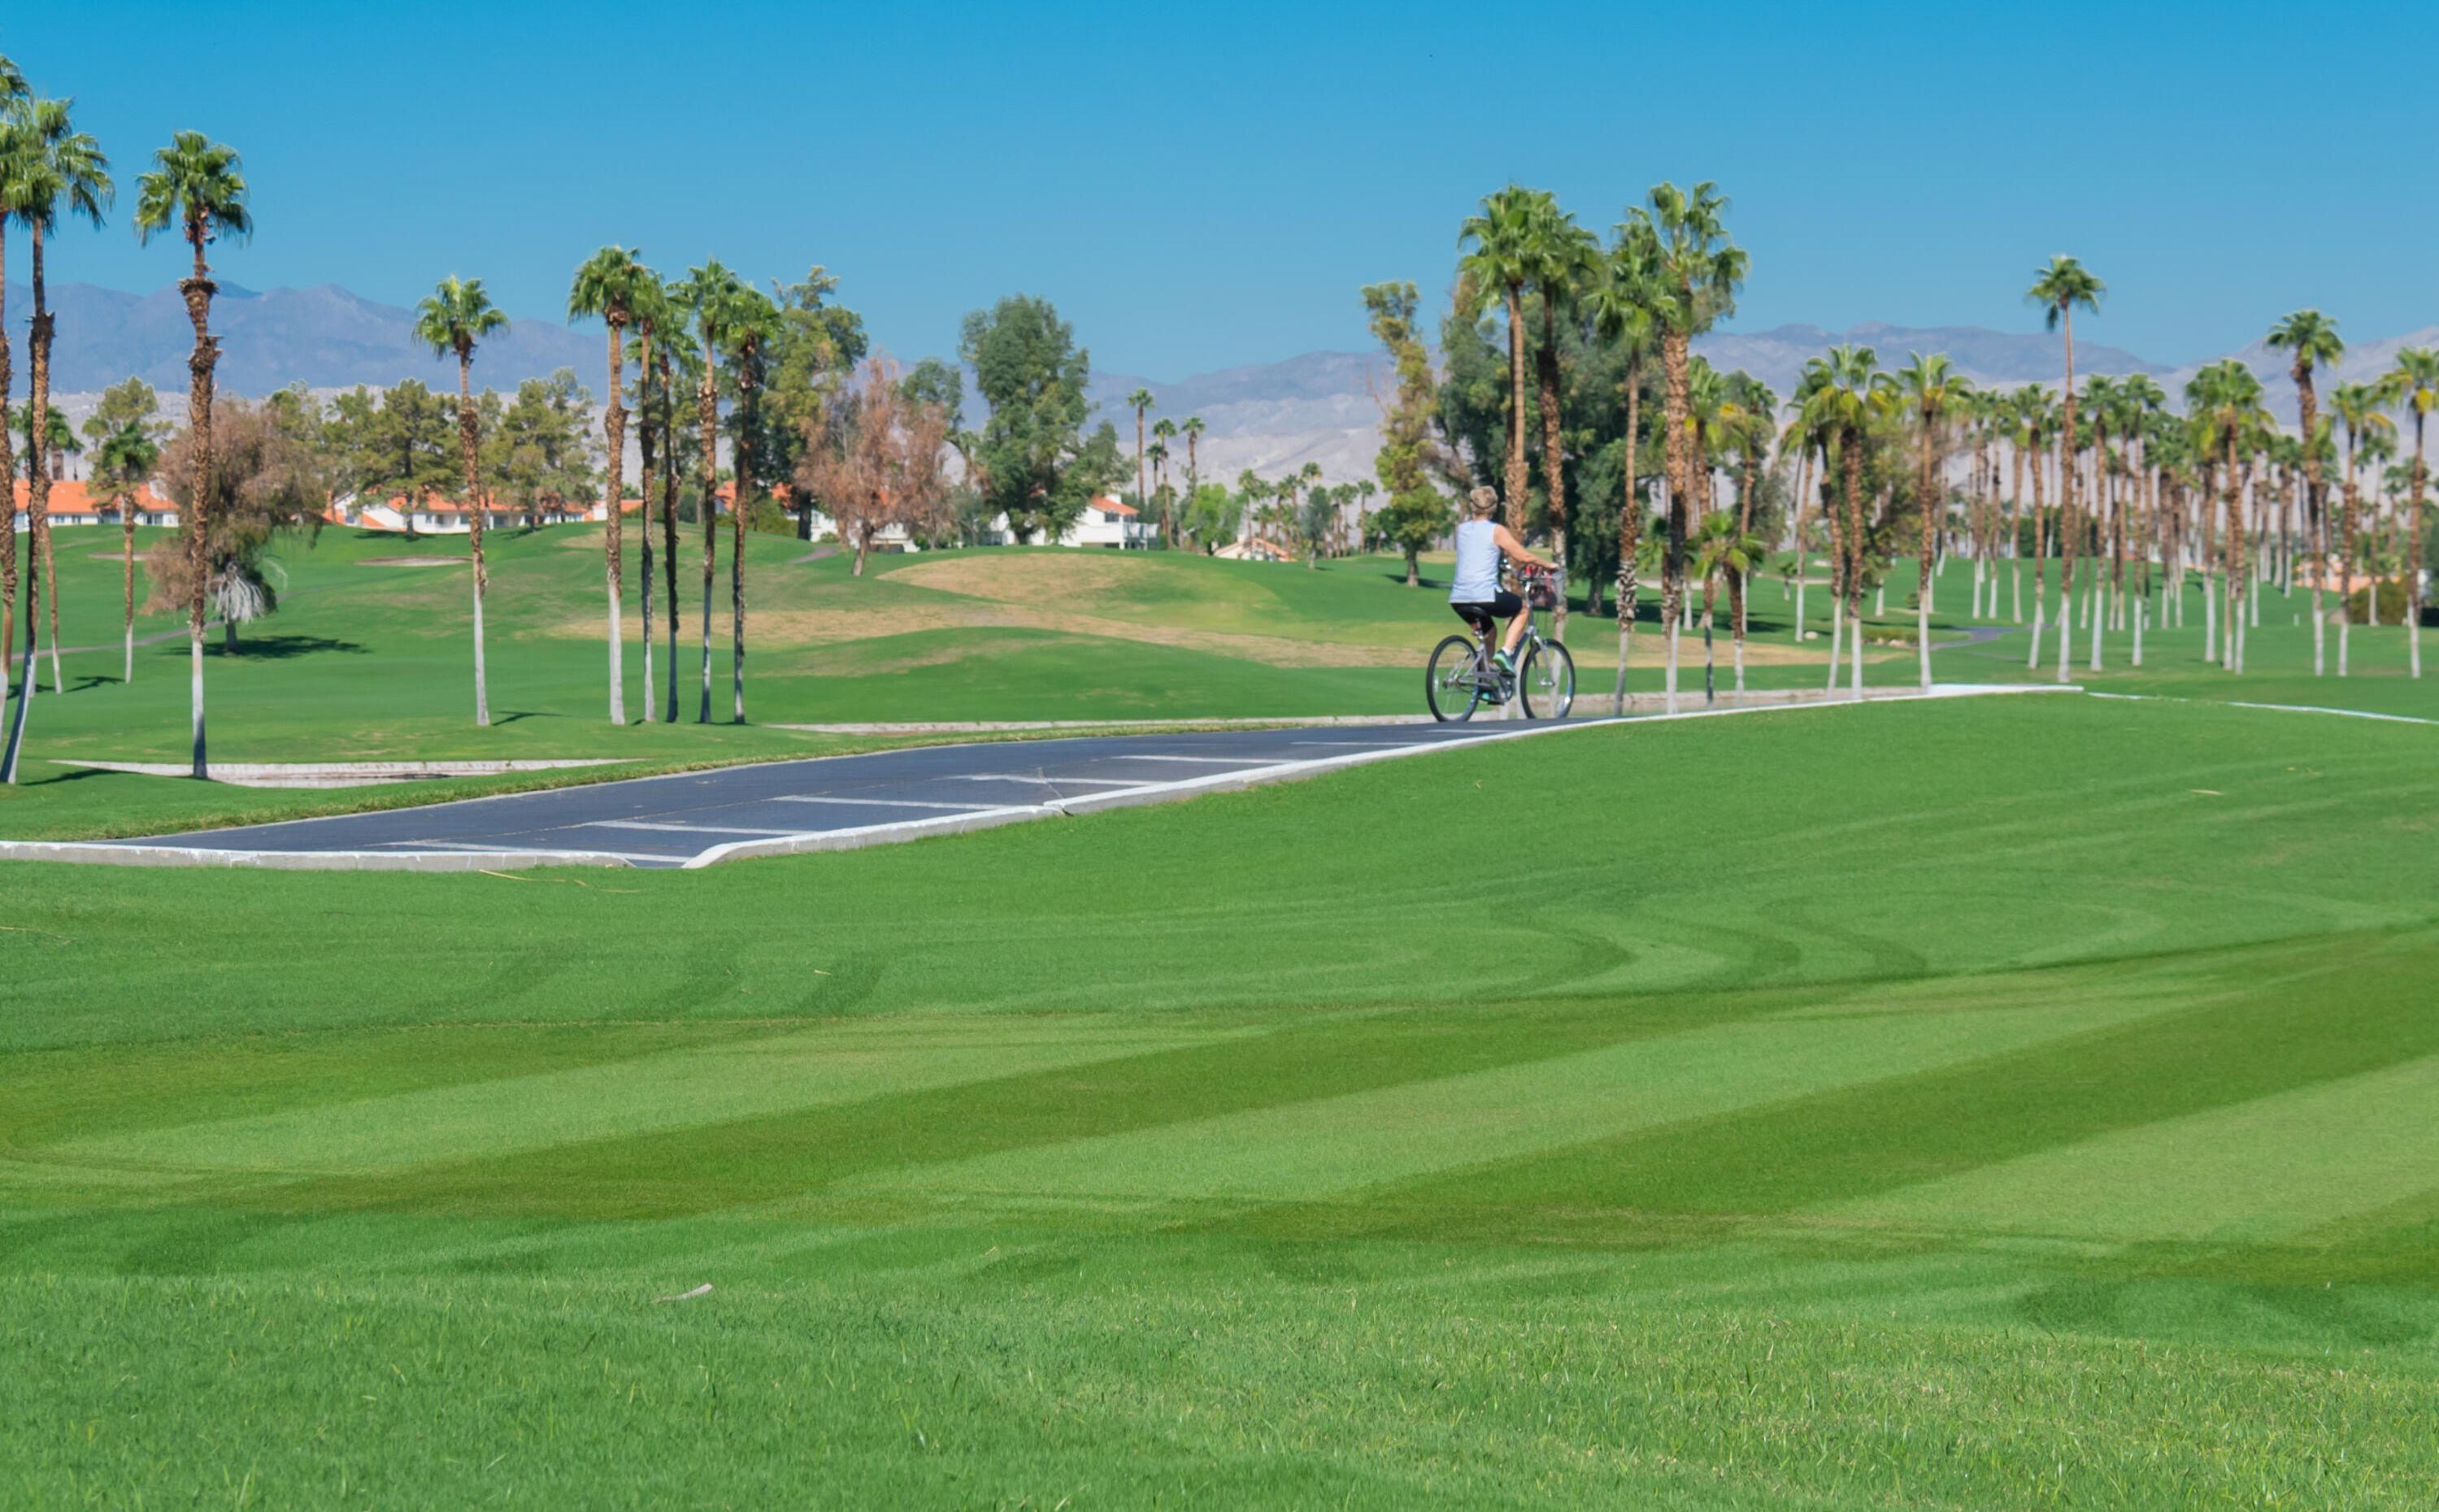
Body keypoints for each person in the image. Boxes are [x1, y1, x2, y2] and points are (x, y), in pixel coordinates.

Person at [1448, 486, 1550, 676]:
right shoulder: (1496, 530)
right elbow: (1523, 556)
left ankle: (1485, 681)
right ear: (1494, 507)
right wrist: (1548, 565)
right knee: (1523, 609)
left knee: (1490, 633)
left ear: (1472, 505)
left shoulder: (1461, 529)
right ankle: (1506, 652)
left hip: (1458, 599)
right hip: (1485, 595)